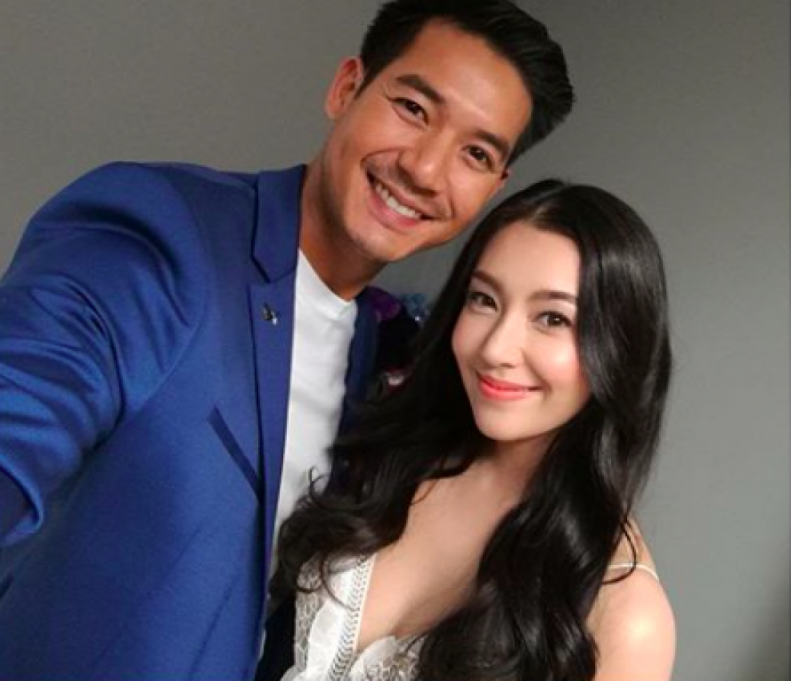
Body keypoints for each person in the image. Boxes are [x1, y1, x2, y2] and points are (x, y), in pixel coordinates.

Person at [0, 0, 574, 681]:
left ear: (494, 187)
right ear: (346, 88)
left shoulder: (385, 357)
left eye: (475, 154)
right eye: (414, 108)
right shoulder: (164, 235)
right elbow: (16, 416)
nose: (425, 169)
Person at [271, 179, 676, 681]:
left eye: (553, 318)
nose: (496, 348)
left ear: (619, 348)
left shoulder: (627, 619)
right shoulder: (397, 453)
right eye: (484, 299)